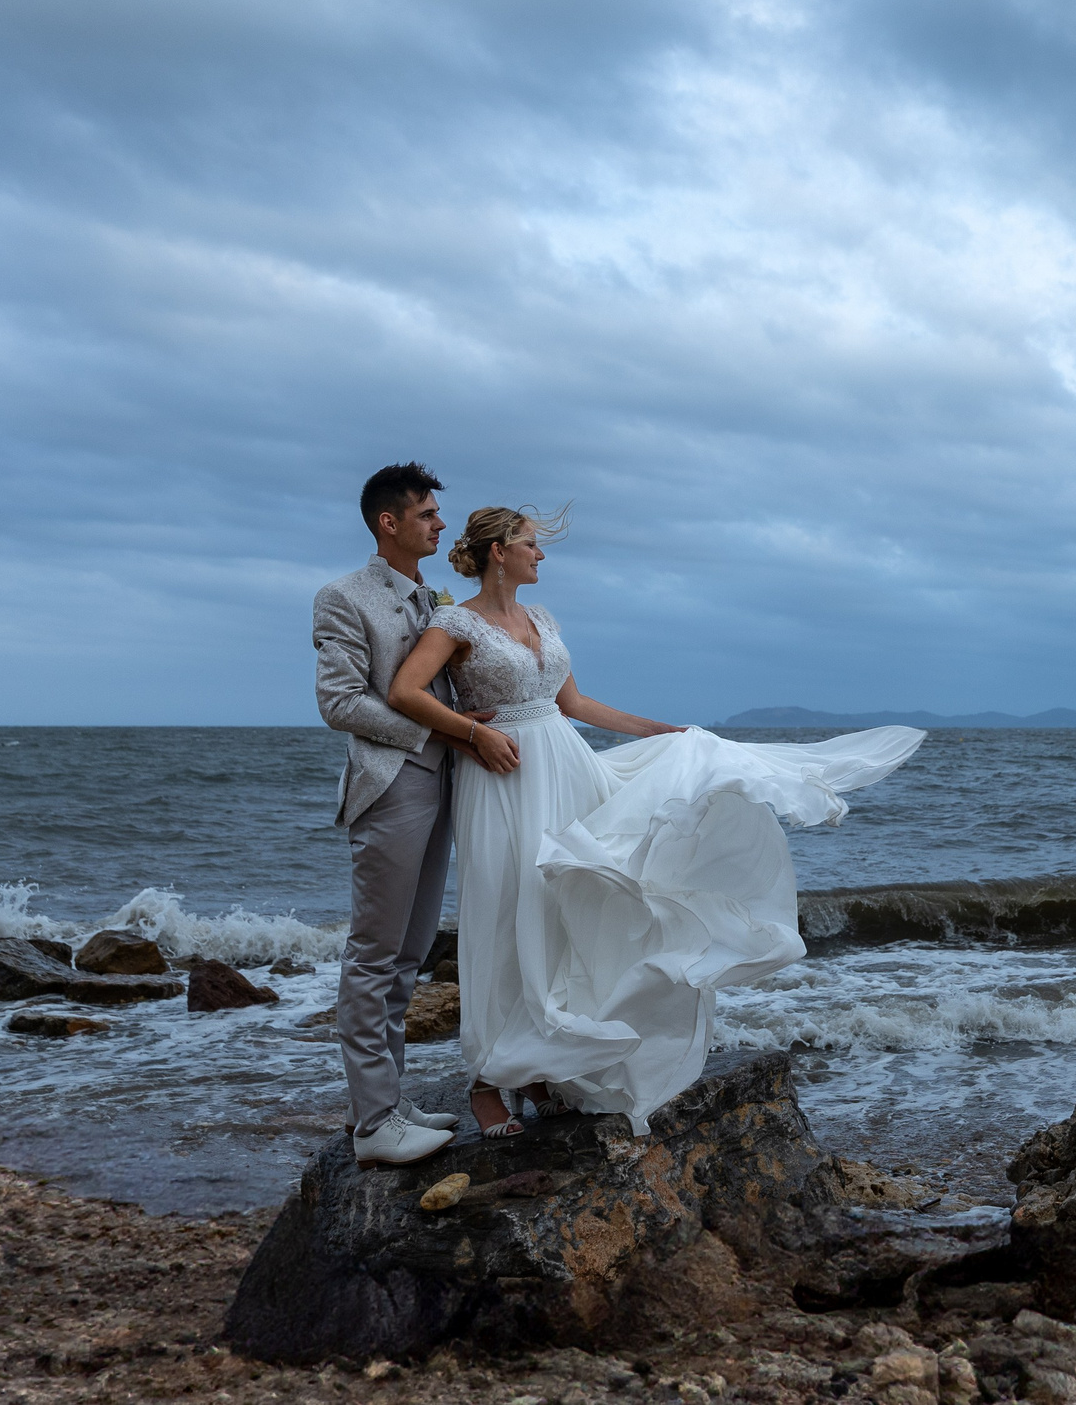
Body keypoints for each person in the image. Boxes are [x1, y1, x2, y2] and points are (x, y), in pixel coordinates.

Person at [383, 504, 922, 1136]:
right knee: (507, 909)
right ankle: (487, 1080)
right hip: (503, 772)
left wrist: (663, 730)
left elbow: (575, 703)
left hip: (566, 765)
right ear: (500, 551)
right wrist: (475, 732)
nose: (542, 555)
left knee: (564, 912)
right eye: (532, 544)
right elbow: (405, 693)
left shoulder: (542, 618)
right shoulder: (456, 621)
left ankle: (540, 1067)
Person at [312, 462, 499, 1166]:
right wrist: (435, 729)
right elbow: (339, 703)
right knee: (373, 954)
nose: (440, 524)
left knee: (410, 955)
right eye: (427, 514)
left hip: (444, 783)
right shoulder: (342, 597)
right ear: (389, 523)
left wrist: (463, 724)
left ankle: (389, 1100)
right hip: (391, 784)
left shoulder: (432, 597)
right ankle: (372, 1125)